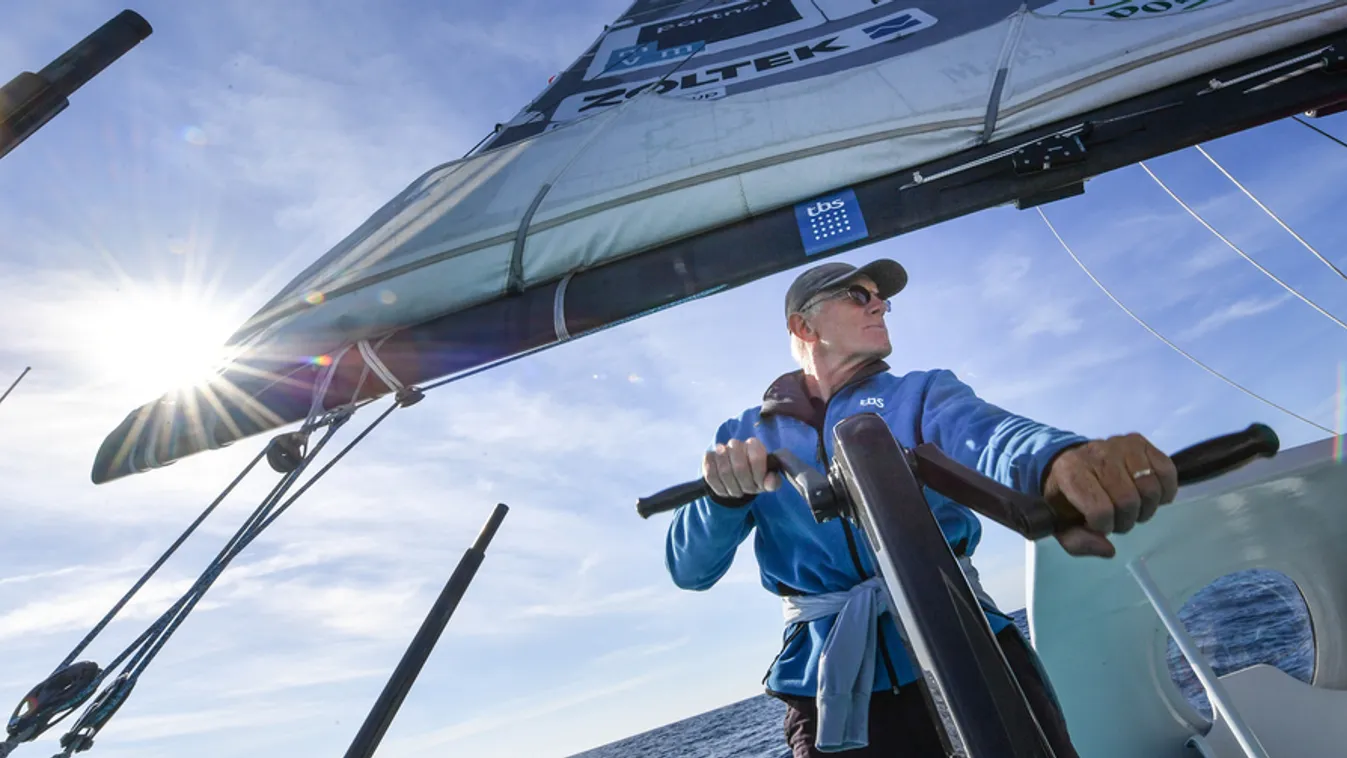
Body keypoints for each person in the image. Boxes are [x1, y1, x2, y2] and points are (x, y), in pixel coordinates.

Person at [664, 258, 1179, 757]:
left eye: (882, 299)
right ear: (804, 325)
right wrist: (722, 498)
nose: (880, 307)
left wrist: (1056, 462)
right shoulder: (742, 436)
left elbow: (989, 435)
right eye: (859, 295)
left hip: (968, 649)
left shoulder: (923, 393)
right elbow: (690, 571)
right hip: (833, 693)